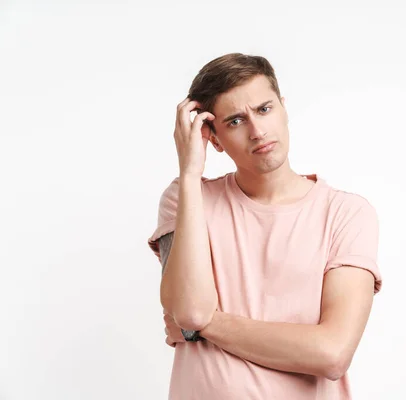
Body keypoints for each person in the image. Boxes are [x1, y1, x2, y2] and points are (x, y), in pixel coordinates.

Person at [147, 52, 383, 400]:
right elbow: (191, 309)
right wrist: (190, 173)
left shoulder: (346, 213)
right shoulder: (186, 198)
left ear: (284, 108)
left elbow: (332, 354)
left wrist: (205, 327)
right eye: (236, 121)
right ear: (212, 138)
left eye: (264, 109)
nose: (258, 131)